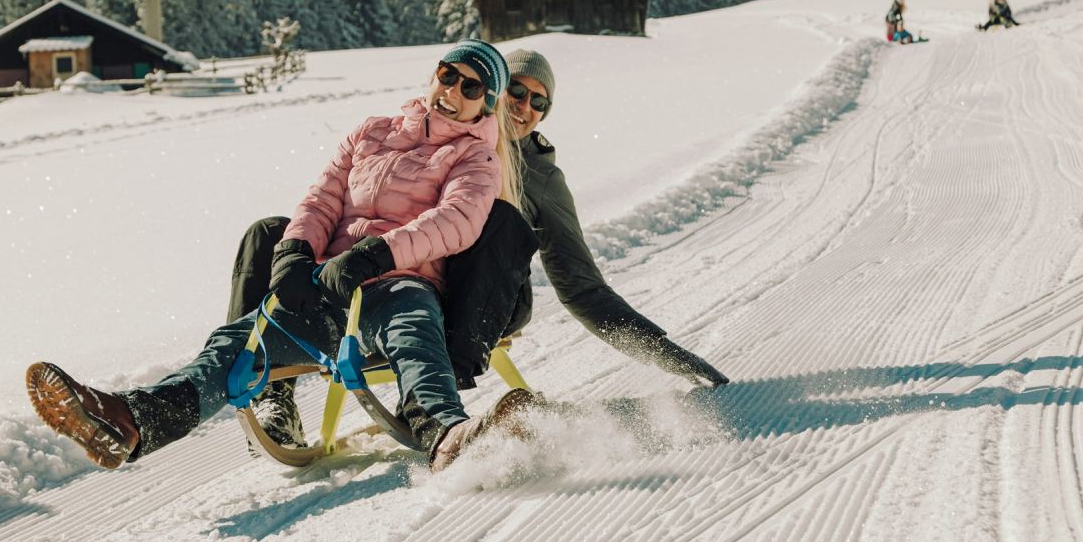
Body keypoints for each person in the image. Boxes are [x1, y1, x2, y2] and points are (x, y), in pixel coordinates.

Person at [26, 39, 538, 473]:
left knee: (414, 335)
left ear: (485, 105)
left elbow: (458, 220)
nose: (452, 92)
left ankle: (445, 432)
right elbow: (321, 199)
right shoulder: (371, 132)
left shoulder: (475, 156)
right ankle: (136, 419)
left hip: (398, 283)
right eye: (448, 76)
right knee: (236, 342)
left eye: (471, 87)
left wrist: (374, 255)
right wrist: (294, 253)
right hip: (328, 284)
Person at [236, 48, 730, 451]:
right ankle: (269, 389)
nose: (524, 107)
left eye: (539, 103)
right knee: (270, 234)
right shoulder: (441, 140)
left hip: (478, 302)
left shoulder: (540, 178)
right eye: (516, 91)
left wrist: (675, 360)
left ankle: (436, 390)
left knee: (500, 220)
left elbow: (582, 287)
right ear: (492, 95)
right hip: (401, 277)